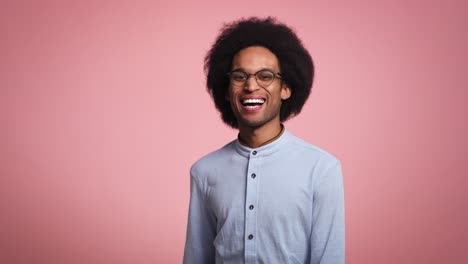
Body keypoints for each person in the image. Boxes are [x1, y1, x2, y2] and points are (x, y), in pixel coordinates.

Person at [183, 17, 345, 264]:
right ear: (226, 91)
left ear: (286, 88)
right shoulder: (204, 172)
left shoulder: (321, 169)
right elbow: (197, 258)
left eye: (265, 76)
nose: (250, 86)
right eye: (239, 76)